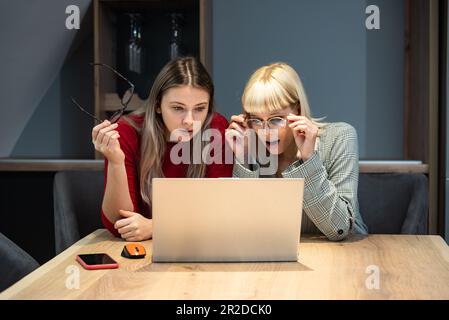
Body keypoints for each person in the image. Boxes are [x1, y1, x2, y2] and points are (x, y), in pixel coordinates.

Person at [92, 57, 233, 241]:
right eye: (177, 108)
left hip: (197, 247)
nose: (189, 121)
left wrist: (156, 227)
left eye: (199, 108)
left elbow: (219, 210)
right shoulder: (126, 133)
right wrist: (116, 162)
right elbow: (120, 223)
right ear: (158, 104)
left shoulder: (215, 127)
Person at [227, 62, 368, 241]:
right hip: (281, 257)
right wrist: (243, 159)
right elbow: (241, 230)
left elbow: (338, 229)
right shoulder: (251, 147)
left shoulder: (340, 137)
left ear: (298, 110)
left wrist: (309, 160)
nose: (265, 131)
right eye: (256, 119)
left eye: (276, 119)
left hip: (347, 253)